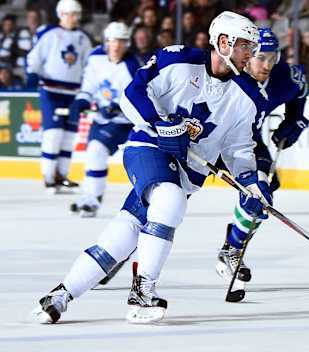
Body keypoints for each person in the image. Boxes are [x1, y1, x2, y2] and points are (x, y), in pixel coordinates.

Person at [32, 11, 266, 325]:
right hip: (149, 148)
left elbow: (239, 149)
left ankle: (60, 295)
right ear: (223, 43)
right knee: (169, 199)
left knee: (125, 233)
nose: (251, 54)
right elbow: (133, 94)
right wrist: (161, 126)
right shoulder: (178, 61)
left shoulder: (249, 97)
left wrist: (251, 186)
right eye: (245, 46)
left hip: (187, 172)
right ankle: (142, 293)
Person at [214, 28, 309, 289]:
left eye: (272, 57)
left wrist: (294, 120)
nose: (267, 65)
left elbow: (299, 90)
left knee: (262, 192)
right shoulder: (226, 77)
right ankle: (127, 247)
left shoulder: (286, 78)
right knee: (172, 197)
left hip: (247, 143)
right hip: (210, 141)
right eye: (260, 58)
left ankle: (231, 250)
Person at [69, 22, 141, 218]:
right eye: (112, 41)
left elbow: (140, 98)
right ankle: (89, 196)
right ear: (106, 42)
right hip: (101, 117)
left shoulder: (133, 65)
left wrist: (120, 107)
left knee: (96, 150)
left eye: (121, 41)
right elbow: (89, 85)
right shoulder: (96, 58)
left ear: (127, 43)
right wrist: (82, 101)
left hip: (122, 122)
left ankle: (92, 198)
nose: (116, 46)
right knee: (93, 155)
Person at [26, 0, 92, 193]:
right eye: (70, 14)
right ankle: (48, 177)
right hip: (51, 91)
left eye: (76, 14)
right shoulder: (49, 34)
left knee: (69, 136)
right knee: (53, 133)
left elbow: (89, 66)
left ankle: (61, 175)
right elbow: (34, 59)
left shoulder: (83, 38)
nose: (74, 18)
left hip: (73, 93)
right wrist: (35, 75)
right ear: (61, 14)